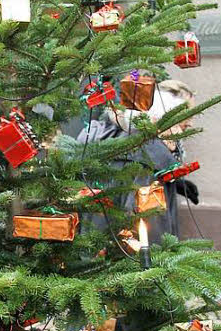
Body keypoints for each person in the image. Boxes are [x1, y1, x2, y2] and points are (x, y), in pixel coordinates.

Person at [76, 79, 198, 243]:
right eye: (184, 123)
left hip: (93, 245)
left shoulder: (110, 136)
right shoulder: (148, 157)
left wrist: (173, 179)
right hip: (131, 255)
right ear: (165, 119)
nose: (190, 123)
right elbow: (146, 220)